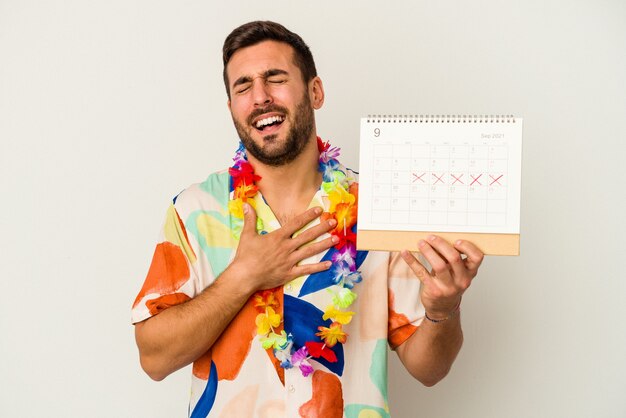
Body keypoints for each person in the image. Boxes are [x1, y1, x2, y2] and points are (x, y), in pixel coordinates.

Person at [132, 20, 484, 418]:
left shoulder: (377, 208)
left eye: (275, 78)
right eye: (243, 87)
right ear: (232, 108)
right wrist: (244, 275)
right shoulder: (193, 211)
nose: (260, 97)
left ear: (315, 92)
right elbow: (153, 359)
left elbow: (429, 369)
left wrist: (444, 307)